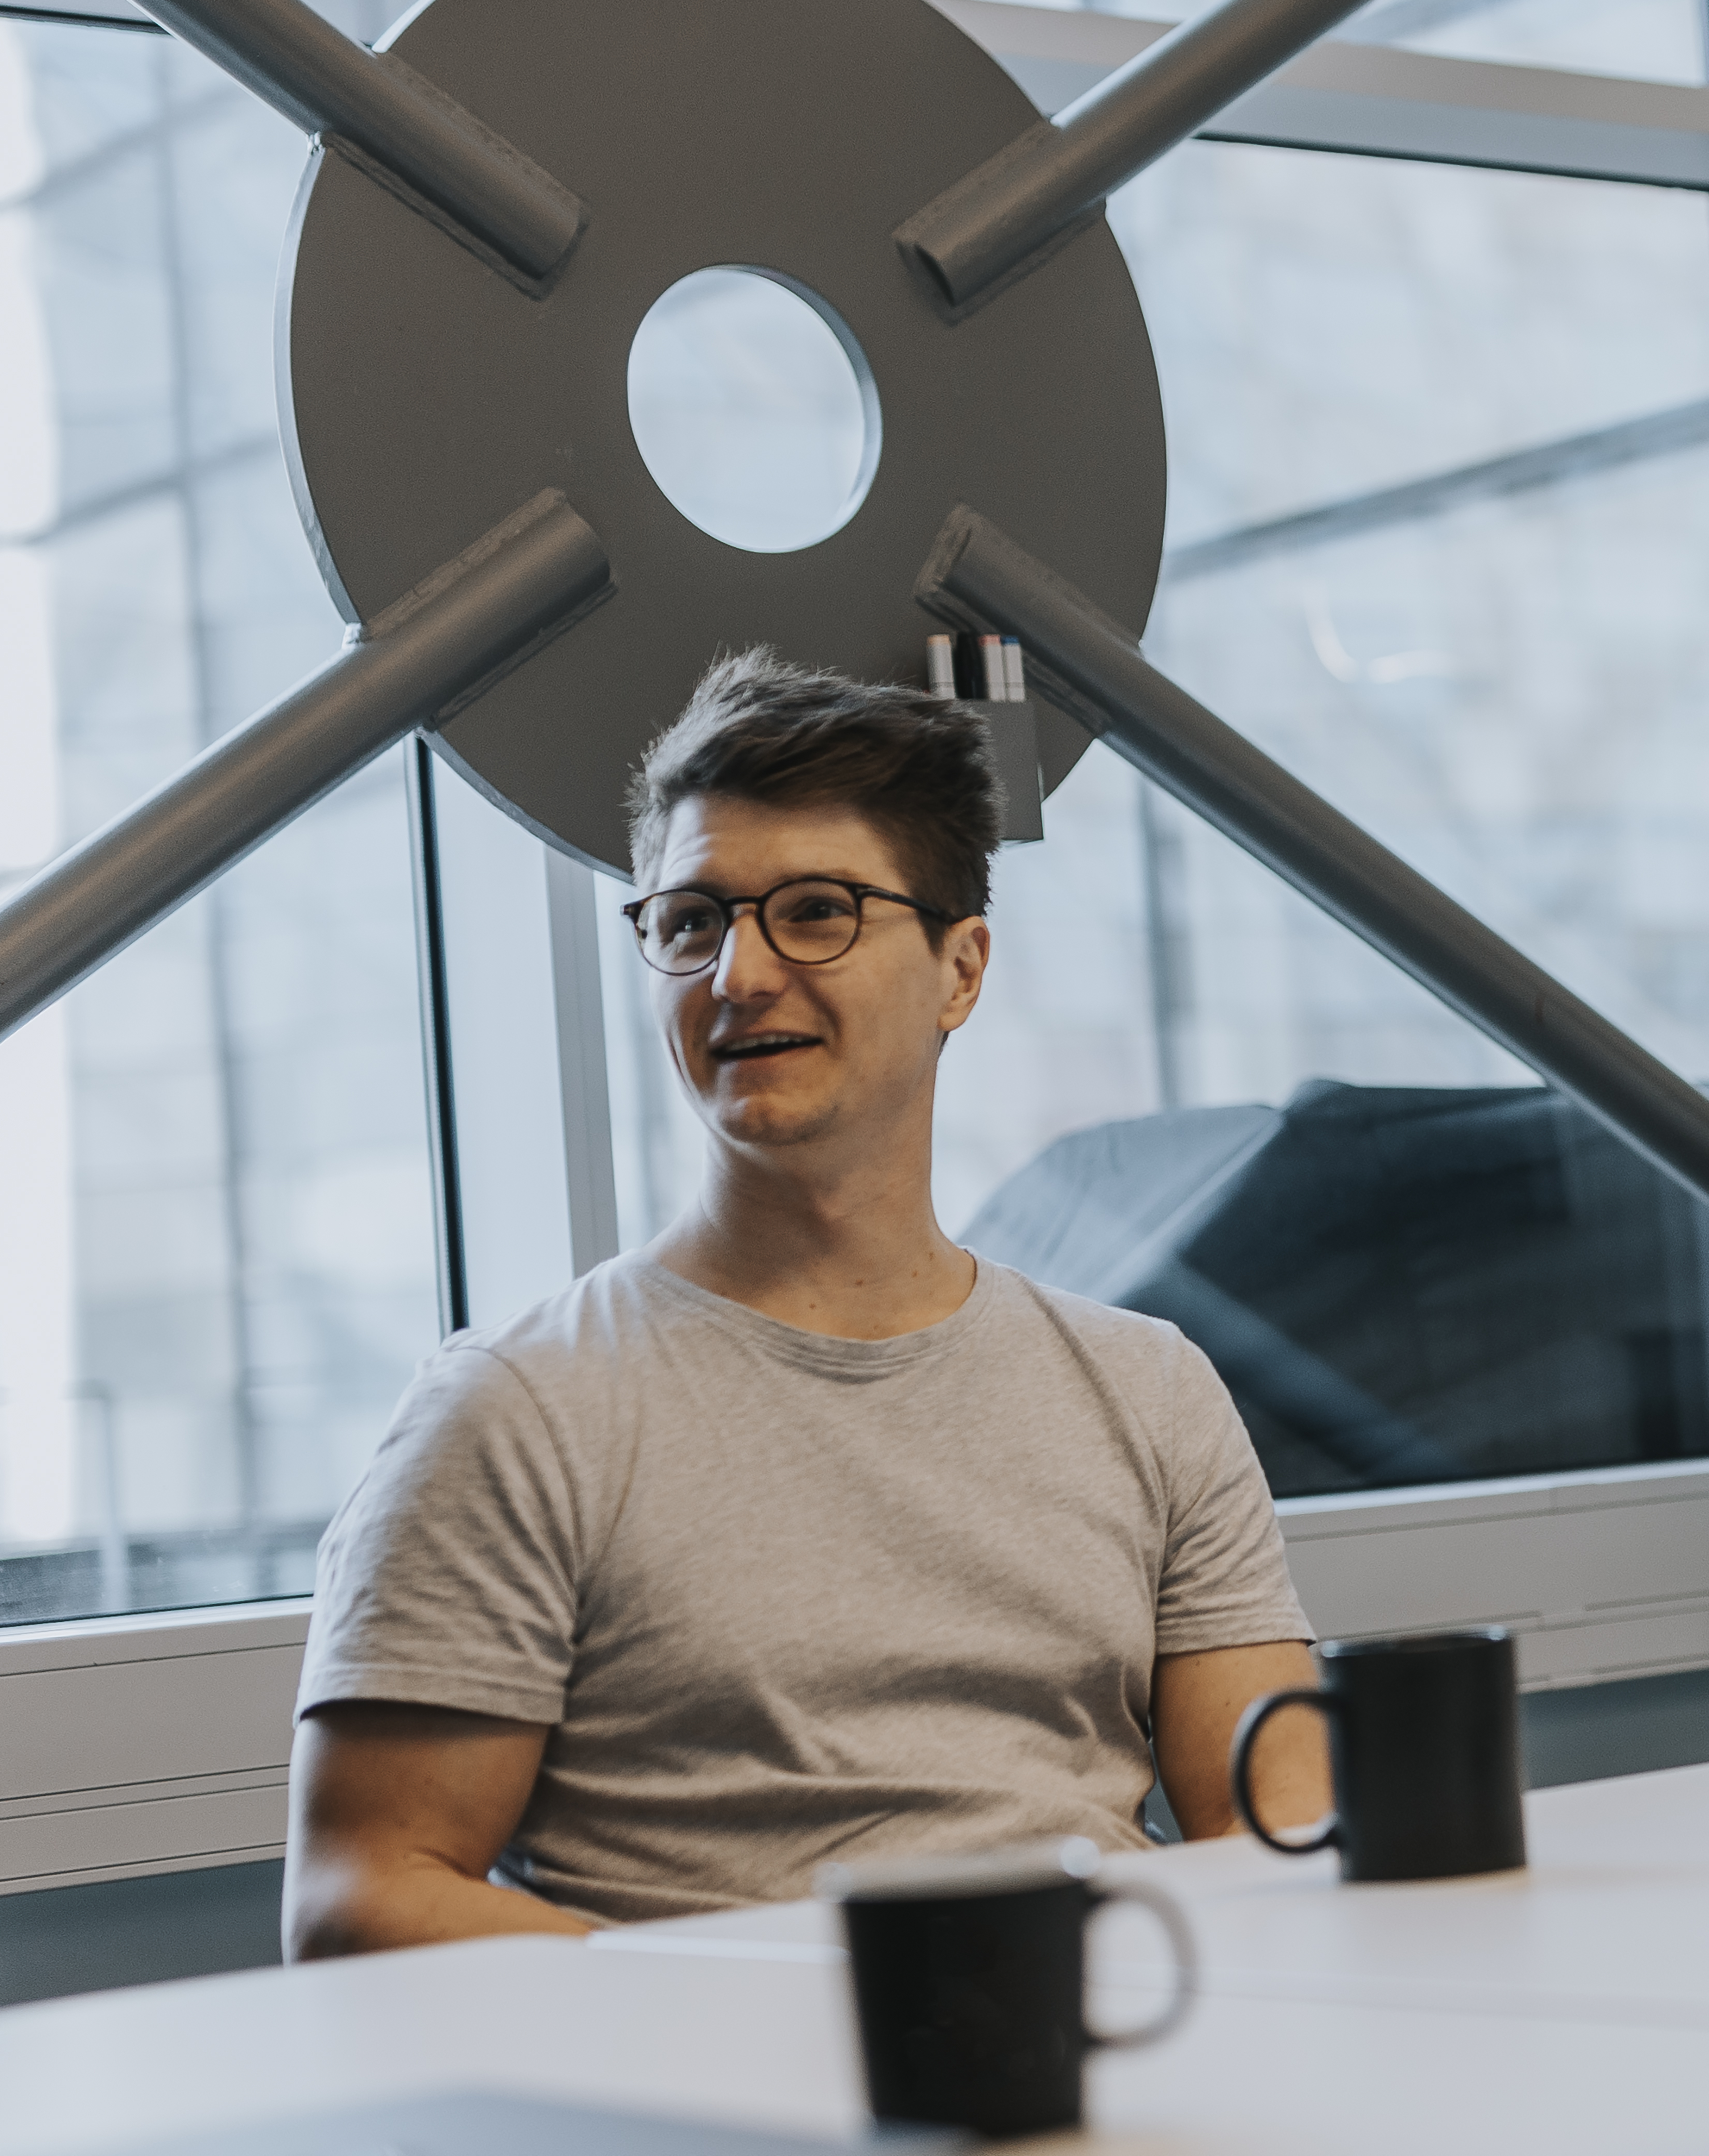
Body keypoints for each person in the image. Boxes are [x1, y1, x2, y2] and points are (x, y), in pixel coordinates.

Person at [285, 655, 1327, 1953]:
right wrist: (762, 2019)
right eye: (692, 920)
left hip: (1099, 2059)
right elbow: (363, 1895)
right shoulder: (516, 1408)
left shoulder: (1146, 1387)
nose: (739, 972)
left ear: (961, 968)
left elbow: (1279, 1824)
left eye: (818, 910)